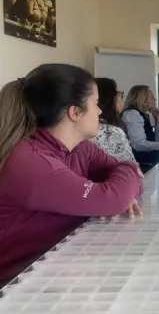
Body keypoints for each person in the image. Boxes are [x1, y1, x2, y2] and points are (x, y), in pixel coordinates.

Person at [0, 64, 143, 286]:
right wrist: (126, 179)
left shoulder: (80, 148)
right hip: (15, 288)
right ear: (74, 112)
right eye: (95, 104)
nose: (100, 111)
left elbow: (125, 185)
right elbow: (114, 197)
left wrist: (125, 182)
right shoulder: (32, 164)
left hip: (53, 269)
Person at [121, 85, 159, 167]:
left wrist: (157, 119)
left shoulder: (144, 115)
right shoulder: (132, 114)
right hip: (142, 161)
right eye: (152, 97)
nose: (155, 99)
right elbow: (139, 145)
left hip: (150, 157)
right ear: (144, 101)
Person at [90, 78, 139, 166]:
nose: (121, 99)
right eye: (118, 94)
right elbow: (132, 169)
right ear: (108, 99)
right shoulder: (111, 132)